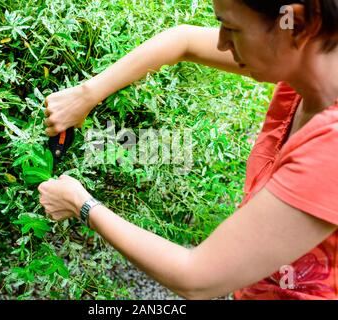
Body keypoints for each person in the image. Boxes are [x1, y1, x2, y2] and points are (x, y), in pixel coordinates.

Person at [38, 0, 338, 300]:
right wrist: (84, 96)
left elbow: (196, 277)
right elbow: (184, 41)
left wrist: (81, 204)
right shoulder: (311, 66)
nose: (221, 43)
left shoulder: (329, 151)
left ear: (294, 25)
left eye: (232, 28)